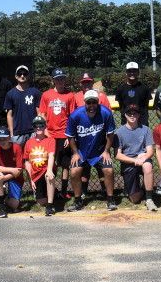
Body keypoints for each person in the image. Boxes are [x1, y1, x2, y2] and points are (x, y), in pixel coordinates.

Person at [65, 90, 118, 212]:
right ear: (85, 103)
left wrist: (106, 151)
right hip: (82, 152)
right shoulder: (75, 115)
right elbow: (70, 136)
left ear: (98, 102)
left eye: (94, 102)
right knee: (74, 171)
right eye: (89, 103)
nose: (92, 105)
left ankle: (110, 199)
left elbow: (110, 134)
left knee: (108, 170)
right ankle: (78, 201)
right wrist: (76, 153)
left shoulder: (105, 113)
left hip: (99, 151)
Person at [38, 68, 76, 202]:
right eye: (57, 78)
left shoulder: (70, 95)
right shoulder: (47, 95)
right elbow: (42, 114)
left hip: (63, 134)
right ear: (53, 80)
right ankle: (51, 190)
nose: (60, 81)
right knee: (50, 164)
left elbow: (72, 117)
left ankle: (64, 190)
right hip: (50, 134)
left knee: (65, 164)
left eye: (62, 78)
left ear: (65, 79)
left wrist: (68, 135)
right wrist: (45, 132)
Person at [113, 104, 158, 211]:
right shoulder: (119, 132)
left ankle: (149, 199)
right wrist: (135, 160)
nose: (132, 116)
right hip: (129, 162)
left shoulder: (145, 129)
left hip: (143, 159)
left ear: (139, 115)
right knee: (135, 199)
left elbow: (150, 151)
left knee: (148, 166)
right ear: (125, 115)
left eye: (135, 113)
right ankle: (142, 190)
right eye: (129, 113)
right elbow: (117, 155)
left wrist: (143, 158)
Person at [24, 115, 57, 216]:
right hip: (36, 174)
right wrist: (31, 179)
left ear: (45, 127)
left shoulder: (50, 140)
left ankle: (50, 206)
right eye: (36, 126)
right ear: (33, 128)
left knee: (49, 177)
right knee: (40, 201)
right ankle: (54, 193)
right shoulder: (29, 143)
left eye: (41, 125)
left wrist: (50, 170)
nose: (38, 128)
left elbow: (51, 156)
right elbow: (27, 162)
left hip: (46, 170)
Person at [0, 126, 25, 218]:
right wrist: (11, 170)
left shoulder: (17, 148)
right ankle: (1, 206)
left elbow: (19, 170)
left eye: (4, 139)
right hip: (6, 172)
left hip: (15, 177)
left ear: (9, 138)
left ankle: (4, 196)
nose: (2, 141)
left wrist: (5, 178)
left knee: (15, 205)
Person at [4, 65, 42, 147]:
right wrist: (11, 132)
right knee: (17, 158)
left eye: (25, 74)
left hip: (33, 131)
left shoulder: (35, 92)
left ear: (28, 76)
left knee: (34, 157)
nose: (22, 76)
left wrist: (38, 129)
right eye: (19, 74)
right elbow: (9, 115)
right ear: (16, 76)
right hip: (17, 132)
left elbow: (39, 112)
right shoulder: (10, 94)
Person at [114, 61, 152, 126]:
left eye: (134, 71)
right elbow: (121, 108)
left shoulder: (144, 88)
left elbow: (146, 108)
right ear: (126, 73)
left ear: (138, 72)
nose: (132, 73)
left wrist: (144, 122)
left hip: (141, 123)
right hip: (126, 124)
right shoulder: (121, 89)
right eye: (129, 71)